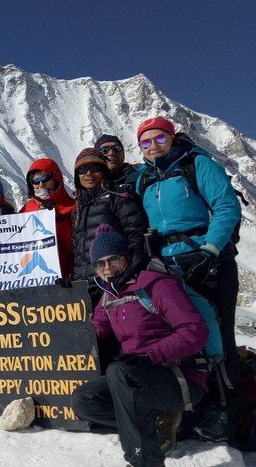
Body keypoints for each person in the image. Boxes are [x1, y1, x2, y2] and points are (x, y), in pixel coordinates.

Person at [72, 224, 209, 467]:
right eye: (100, 264)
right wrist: (61, 315)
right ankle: (155, 421)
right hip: (136, 381)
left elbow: (196, 331)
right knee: (84, 399)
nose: (107, 268)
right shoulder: (109, 296)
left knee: (119, 372)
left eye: (113, 259)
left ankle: (145, 460)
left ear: (126, 258)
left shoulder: (155, 285)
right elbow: (96, 332)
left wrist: (150, 357)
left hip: (177, 377)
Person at [132, 117, 242, 389]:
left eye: (160, 138)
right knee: (183, 334)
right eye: (146, 142)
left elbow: (226, 206)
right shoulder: (144, 180)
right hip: (168, 266)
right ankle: (198, 400)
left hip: (209, 259)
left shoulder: (197, 164)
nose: (153, 146)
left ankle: (229, 404)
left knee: (219, 331)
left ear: (172, 137)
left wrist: (210, 250)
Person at [71, 147, 148, 372]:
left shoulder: (118, 198)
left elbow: (136, 235)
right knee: (93, 345)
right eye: (83, 170)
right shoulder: (78, 209)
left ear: (104, 171)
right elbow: (79, 251)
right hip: (87, 287)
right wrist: (73, 279)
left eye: (95, 168)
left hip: (113, 282)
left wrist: (126, 275)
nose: (89, 174)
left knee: (119, 343)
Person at [19, 158, 76, 278]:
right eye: (35, 181)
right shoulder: (26, 210)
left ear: (55, 178)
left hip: (69, 275)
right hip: (35, 278)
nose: (41, 185)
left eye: (45, 179)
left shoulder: (71, 207)